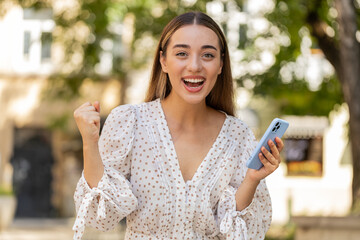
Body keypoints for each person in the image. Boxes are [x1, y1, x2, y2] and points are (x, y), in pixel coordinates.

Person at [72, 11, 284, 240]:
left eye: (208, 55)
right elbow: (100, 217)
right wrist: (90, 142)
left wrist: (252, 179)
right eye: (182, 53)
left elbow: (240, 233)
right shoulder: (130, 123)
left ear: (221, 64)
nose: (194, 66)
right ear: (163, 61)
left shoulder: (238, 135)